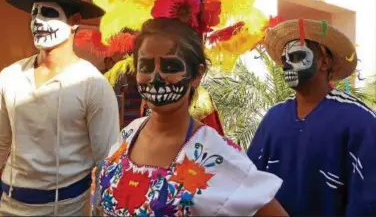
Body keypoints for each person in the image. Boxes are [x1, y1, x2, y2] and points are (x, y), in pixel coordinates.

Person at [98, 18, 287, 216]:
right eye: (145, 67)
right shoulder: (129, 134)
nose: (156, 78)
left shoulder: (215, 155)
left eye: (170, 67)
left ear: (197, 75)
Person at [0, 0, 120, 216]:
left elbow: (107, 162)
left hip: (67, 209)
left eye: (48, 12)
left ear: (74, 21)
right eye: (34, 13)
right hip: (8, 206)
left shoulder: (94, 85)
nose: (37, 21)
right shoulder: (10, 76)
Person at [247, 19, 376, 216]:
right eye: (284, 60)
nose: (287, 65)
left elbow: (367, 199)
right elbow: (250, 183)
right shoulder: (274, 117)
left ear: (326, 62)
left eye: (297, 56)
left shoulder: (360, 120)